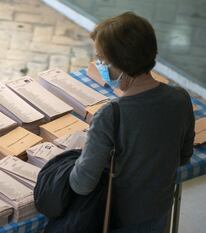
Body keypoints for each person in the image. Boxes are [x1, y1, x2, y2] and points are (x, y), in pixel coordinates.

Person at [69, 12, 195, 232]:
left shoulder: (110, 115)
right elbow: (183, 157)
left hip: (120, 220)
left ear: (120, 63)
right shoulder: (180, 99)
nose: (98, 64)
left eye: (101, 58)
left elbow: (81, 184)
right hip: (160, 212)